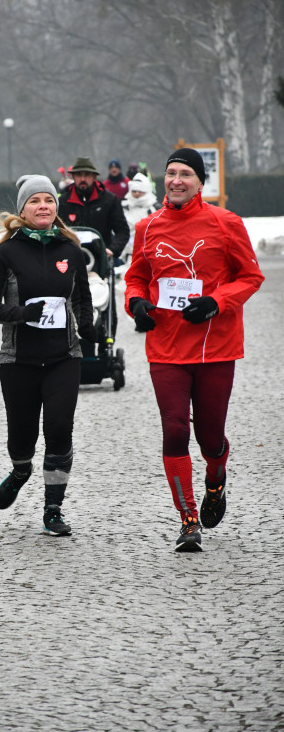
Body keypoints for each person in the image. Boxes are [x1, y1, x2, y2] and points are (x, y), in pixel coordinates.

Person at [124, 148, 264, 553]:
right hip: (165, 348)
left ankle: (215, 480)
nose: (177, 180)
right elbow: (136, 277)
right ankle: (188, 521)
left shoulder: (226, 223)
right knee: (174, 431)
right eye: (171, 173)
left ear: (200, 182)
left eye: (186, 173)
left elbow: (251, 276)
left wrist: (216, 302)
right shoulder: (148, 227)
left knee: (209, 436)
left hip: (214, 347)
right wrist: (136, 304)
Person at [0, 174, 96, 537]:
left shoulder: (70, 251)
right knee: (22, 438)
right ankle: (20, 470)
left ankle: (53, 509)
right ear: (23, 210)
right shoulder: (7, 253)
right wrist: (20, 315)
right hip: (19, 361)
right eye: (34, 201)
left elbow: (82, 301)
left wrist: (89, 334)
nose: (43, 206)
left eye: (48, 200)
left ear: (56, 208)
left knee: (60, 430)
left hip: (63, 357)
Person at [58, 156, 130, 340]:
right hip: (70, 262)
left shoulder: (109, 200)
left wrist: (112, 250)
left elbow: (122, 231)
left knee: (105, 301)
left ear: (94, 177)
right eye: (79, 175)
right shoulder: (63, 202)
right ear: (73, 177)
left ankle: (107, 338)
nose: (83, 179)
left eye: (87, 175)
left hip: (100, 263)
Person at [121, 172, 160, 262]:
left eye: (140, 191)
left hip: (150, 255)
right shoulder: (123, 207)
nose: (137, 194)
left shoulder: (155, 208)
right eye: (134, 191)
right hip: (127, 256)